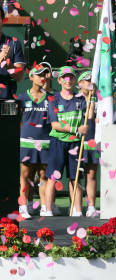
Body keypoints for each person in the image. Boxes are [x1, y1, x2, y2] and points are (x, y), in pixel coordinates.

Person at [45, 66, 87, 217]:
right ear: (60, 80)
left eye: (71, 77)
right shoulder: (53, 99)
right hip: (58, 142)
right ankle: (48, 210)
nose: (68, 80)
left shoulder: (80, 99)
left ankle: (78, 211)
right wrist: (76, 130)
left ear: (75, 80)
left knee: (74, 178)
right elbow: (55, 125)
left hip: (75, 143)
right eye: (65, 77)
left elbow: (87, 118)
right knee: (52, 177)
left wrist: (92, 95)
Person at [18, 63, 52, 219]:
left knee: (44, 175)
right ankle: (24, 206)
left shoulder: (51, 98)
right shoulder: (22, 98)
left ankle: (45, 207)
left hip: (45, 142)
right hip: (26, 142)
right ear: (31, 77)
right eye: (39, 74)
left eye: (44, 74)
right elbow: (18, 120)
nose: (42, 77)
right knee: (26, 176)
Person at [77, 70, 99, 217]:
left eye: (91, 80)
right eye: (86, 80)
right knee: (76, 176)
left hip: (92, 142)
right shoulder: (73, 99)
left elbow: (93, 117)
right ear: (79, 84)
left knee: (91, 174)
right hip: (76, 142)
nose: (89, 83)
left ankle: (91, 206)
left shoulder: (100, 102)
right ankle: (77, 208)